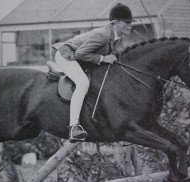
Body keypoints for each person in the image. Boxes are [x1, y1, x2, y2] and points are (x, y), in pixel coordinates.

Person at [47, 3, 135, 143]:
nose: (131, 25)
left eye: (131, 22)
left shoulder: (117, 36)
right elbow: (80, 54)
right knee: (83, 83)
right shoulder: (103, 35)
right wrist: (103, 58)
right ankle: (73, 127)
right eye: (127, 22)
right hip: (67, 54)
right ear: (115, 23)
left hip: (80, 58)